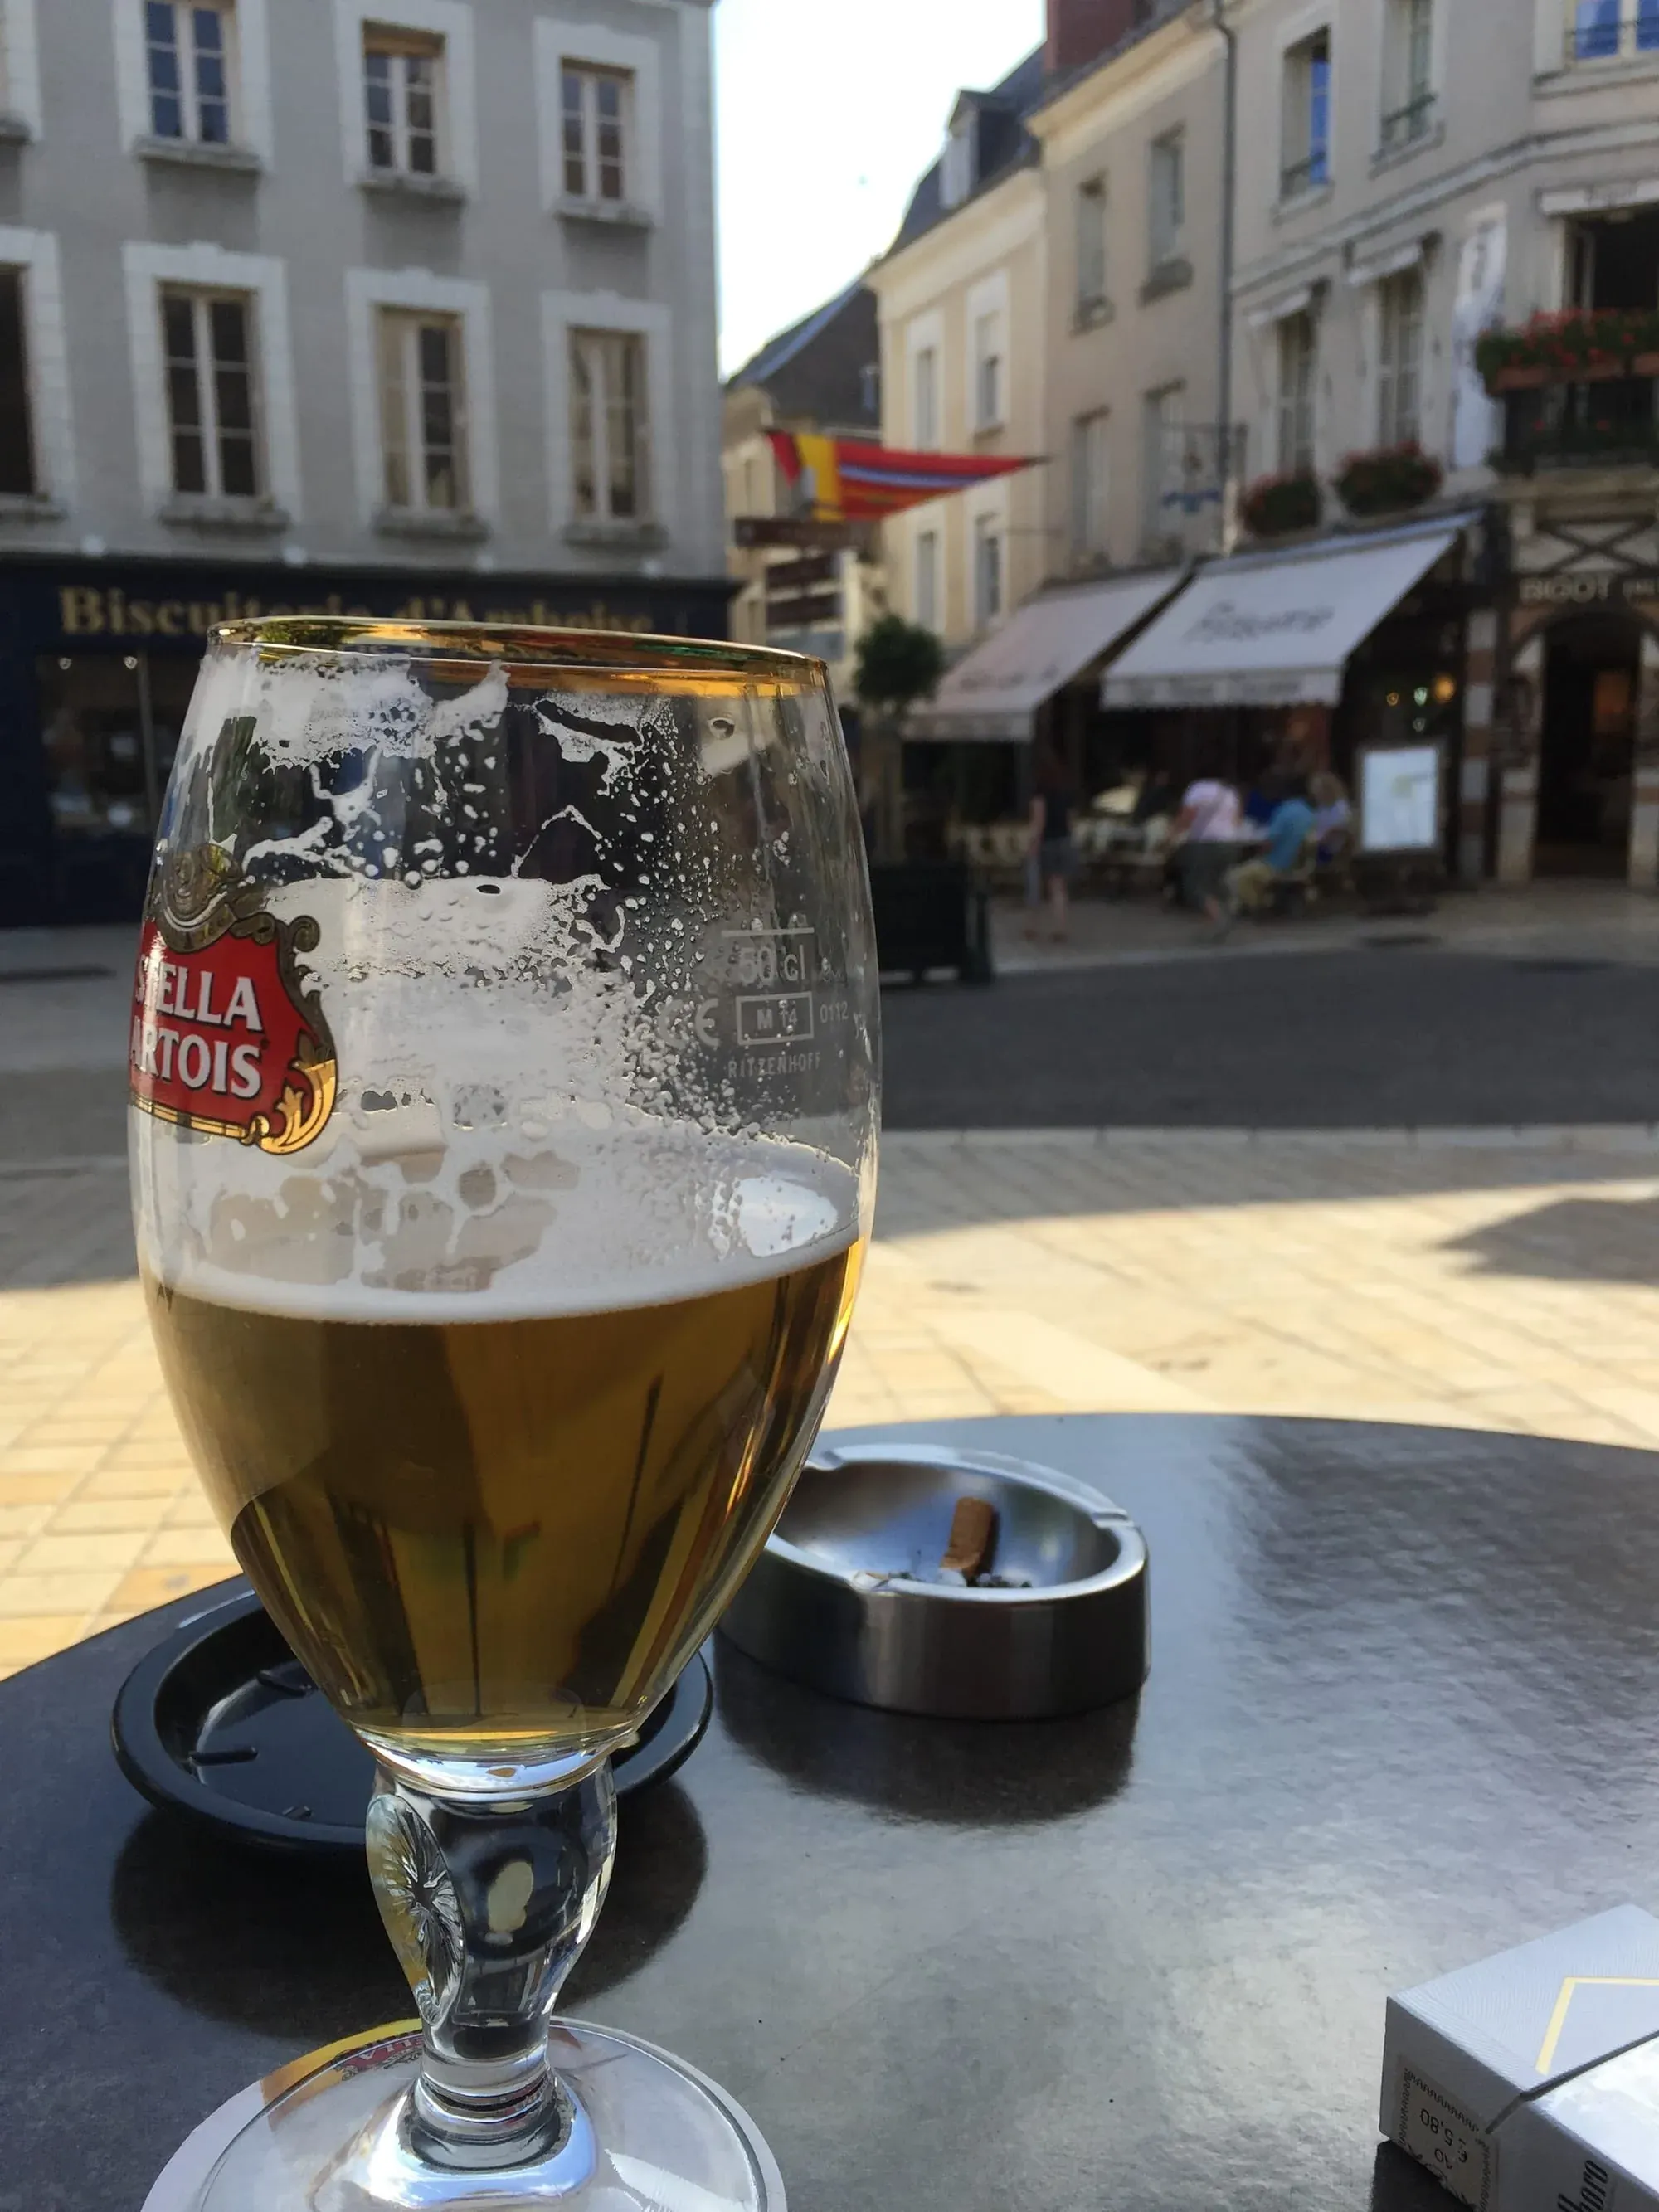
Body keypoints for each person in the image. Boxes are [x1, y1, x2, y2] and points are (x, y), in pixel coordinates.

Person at [1226, 777, 1316, 916]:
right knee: (1251, 871)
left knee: (1233, 876)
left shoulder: (1284, 811)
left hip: (1276, 865)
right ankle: (1263, 902)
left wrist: (1259, 854)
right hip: (1300, 864)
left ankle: (1257, 906)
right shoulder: (1310, 813)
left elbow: (1269, 842)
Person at [1174, 760, 1242, 933]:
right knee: (1215, 882)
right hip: (1229, 844)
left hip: (1205, 843)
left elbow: (1187, 817)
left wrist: (1171, 835)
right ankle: (1221, 915)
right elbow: (1236, 820)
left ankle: (1219, 918)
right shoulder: (1230, 792)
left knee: (1194, 886)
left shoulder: (1197, 789)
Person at [1026, 747, 1078, 942]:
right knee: (1059, 887)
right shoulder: (1066, 791)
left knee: (1035, 885)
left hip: (1047, 841)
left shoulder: (1040, 791)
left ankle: (1032, 926)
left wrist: (1032, 843)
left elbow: (1038, 820)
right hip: (1065, 840)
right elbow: (1071, 820)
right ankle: (1060, 926)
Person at [1311, 770, 1353, 863]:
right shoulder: (1321, 807)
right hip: (1319, 846)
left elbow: (1345, 825)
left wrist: (1324, 836)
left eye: (1318, 789)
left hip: (1333, 851)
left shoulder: (1341, 806)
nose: (1315, 793)